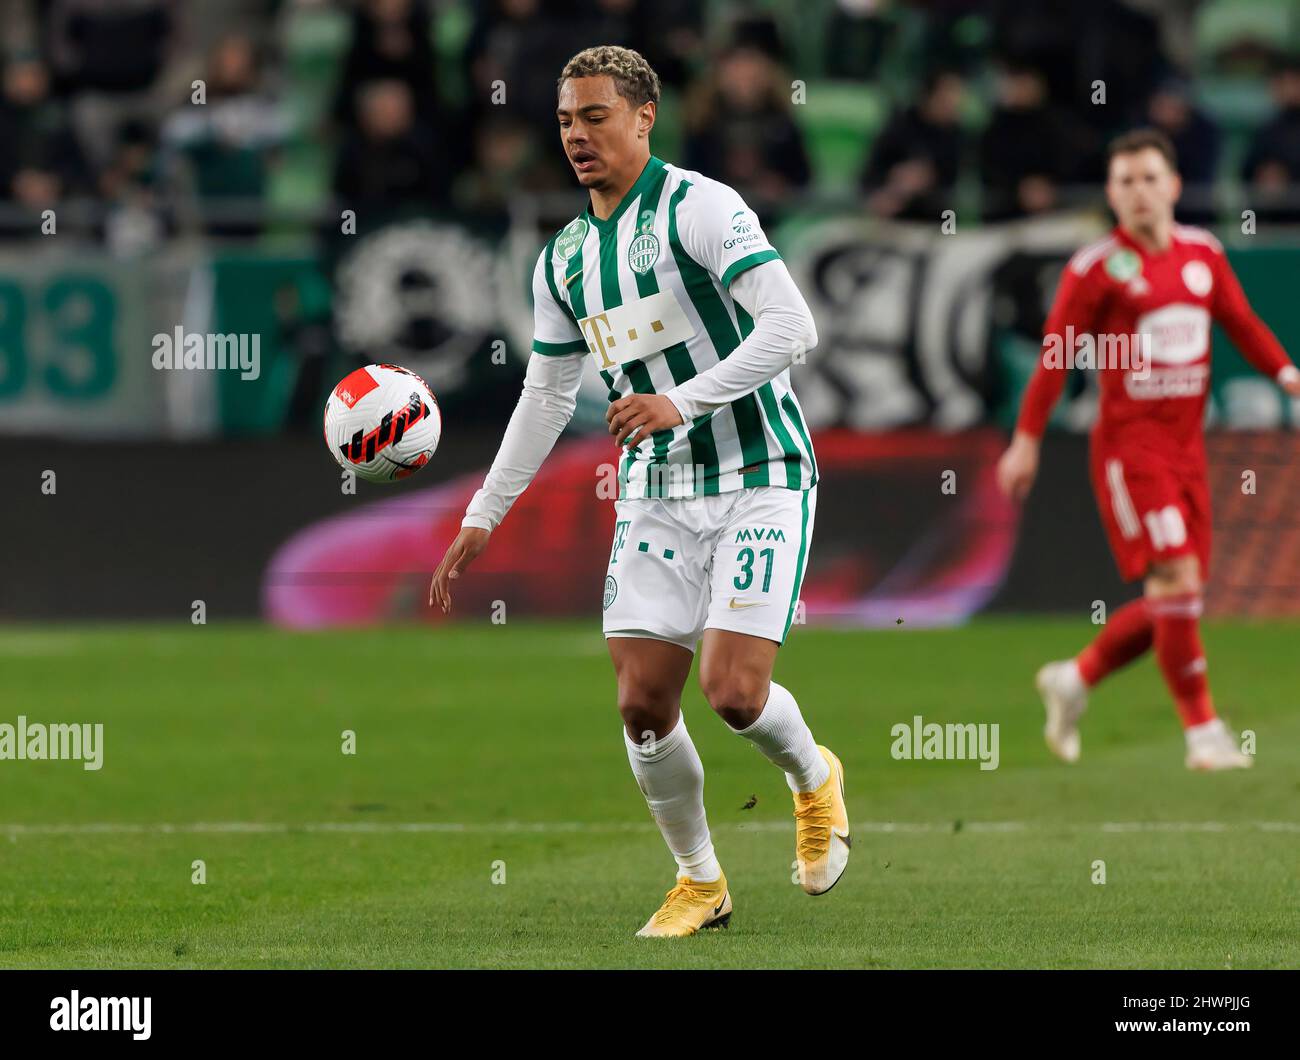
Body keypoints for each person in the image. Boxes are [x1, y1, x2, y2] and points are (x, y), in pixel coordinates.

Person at [429, 45, 847, 937]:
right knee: (641, 703)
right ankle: (702, 881)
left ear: (645, 116)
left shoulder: (701, 207)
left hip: (759, 472)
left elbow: (792, 324)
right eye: (567, 121)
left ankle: (813, 777)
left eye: (596, 117)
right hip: (657, 492)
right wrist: (484, 513)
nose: (578, 136)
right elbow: (545, 394)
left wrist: (678, 401)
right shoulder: (565, 261)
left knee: (734, 693)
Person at [996, 128, 1300, 771]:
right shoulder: (1097, 268)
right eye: (1125, 180)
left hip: (1189, 449)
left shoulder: (1203, 255)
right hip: (1131, 453)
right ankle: (1204, 735)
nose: (1138, 191)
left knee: (1180, 596)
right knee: (1176, 579)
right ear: (1110, 192)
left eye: (1149, 178)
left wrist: (1287, 374)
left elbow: (1242, 323)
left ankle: (1075, 678)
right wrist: (1026, 441)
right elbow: (1055, 357)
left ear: (1174, 185)